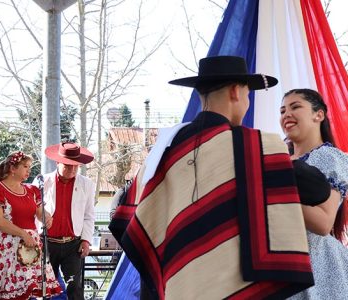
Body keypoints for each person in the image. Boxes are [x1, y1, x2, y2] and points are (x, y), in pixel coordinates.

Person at [109, 56, 334, 299]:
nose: (247, 102)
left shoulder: (163, 148)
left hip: (171, 284)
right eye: (249, 94)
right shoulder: (255, 149)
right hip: (230, 284)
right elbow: (319, 190)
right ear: (236, 92)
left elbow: (127, 216)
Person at [280, 88, 348, 299]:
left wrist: (277, 195)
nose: (286, 115)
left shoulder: (328, 157)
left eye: (295, 107)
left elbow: (323, 222)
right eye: (282, 111)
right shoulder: (278, 158)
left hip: (318, 268)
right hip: (281, 266)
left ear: (319, 115)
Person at [0, 151, 62, 299]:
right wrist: (23, 234)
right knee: (6, 292)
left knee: (28, 290)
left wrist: (47, 218)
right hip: (5, 247)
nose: (28, 171)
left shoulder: (32, 190)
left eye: (29, 167)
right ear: (13, 168)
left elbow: (40, 212)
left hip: (29, 247)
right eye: (25, 166)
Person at [34, 142, 96, 300]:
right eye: (68, 166)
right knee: (44, 287)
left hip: (73, 244)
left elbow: (89, 215)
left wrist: (86, 240)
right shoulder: (42, 181)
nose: (72, 169)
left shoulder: (87, 184)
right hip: (46, 242)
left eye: (76, 166)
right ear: (57, 163)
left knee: (74, 286)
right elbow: (31, 210)